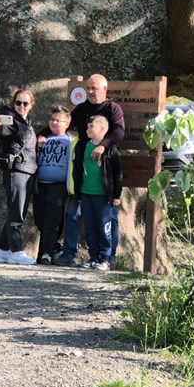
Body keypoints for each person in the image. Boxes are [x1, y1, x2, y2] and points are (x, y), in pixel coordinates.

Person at [54, 74, 126, 267]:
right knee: (74, 215)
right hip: (83, 174)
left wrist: (103, 145)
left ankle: (108, 258)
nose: (90, 92)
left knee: (108, 220)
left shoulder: (113, 109)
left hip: (104, 177)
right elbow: (65, 124)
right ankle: (74, 253)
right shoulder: (83, 108)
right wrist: (42, 135)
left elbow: (118, 131)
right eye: (88, 88)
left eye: (94, 88)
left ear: (104, 89)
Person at [0, 89, 38, 265]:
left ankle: (2, 251)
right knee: (16, 212)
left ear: (31, 105)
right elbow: (2, 129)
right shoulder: (9, 118)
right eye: (18, 103)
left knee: (17, 212)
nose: (21, 106)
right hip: (16, 171)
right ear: (13, 104)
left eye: (25, 103)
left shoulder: (27, 123)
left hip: (29, 171)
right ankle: (16, 251)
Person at [76, 115, 122, 271]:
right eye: (87, 127)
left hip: (103, 196)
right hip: (86, 193)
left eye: (92, 127)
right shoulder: (83, 146)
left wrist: (116, 195)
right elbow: (77, 170)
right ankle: (94, 256)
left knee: (104, 227)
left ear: (103, 129)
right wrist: (78, 193)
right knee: (90, 227)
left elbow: (117, 175)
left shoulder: (111, 150)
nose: (88, 129)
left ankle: (106, 258)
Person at [32, 106, 73, 264]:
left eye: (58, 120)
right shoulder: (42, 138)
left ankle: (46, 254)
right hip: (40, 184)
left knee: (52, 220)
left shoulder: (70, 141)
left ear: (67, 123)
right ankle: (54, 247)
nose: (54, 122)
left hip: (59, 185)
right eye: (52, 119)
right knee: (39, 218)